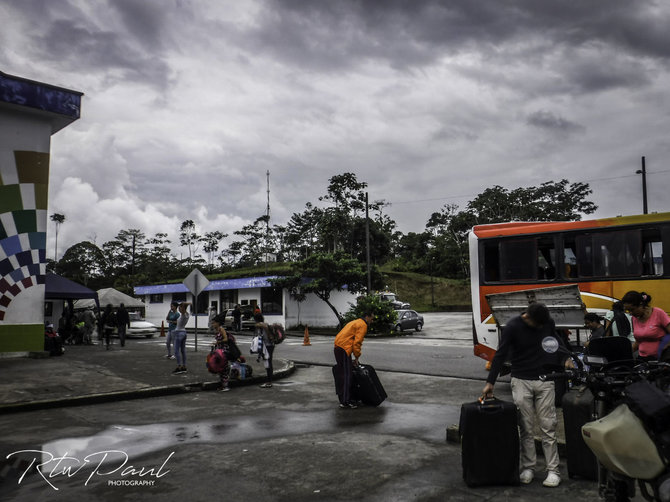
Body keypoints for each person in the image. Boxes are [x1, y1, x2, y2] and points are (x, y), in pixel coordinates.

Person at [482, 302, 573, 488]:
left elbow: (555, 342)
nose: (541, 328)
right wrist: (490, 382)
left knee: (549, 425)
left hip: (545, 379)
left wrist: (565, 357)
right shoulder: (513, 327)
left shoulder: (547, 322)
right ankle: (529, 467)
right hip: (521, 380)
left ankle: (553, 470)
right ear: (527, 318)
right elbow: (500, 354)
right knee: (525, 426)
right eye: (538, 325)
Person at [333, 312, 374, 409]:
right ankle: (346, 401)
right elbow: (357, 343)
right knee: (347, 375)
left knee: (343, 374)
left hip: (338, 347)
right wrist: (357, 357)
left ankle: (344, 399)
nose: (372, 321)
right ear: (366, 317)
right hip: (343, 348)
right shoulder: (363, 325)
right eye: (371, 319)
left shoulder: (355, 322)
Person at [622, 291, 670, 362]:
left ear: (641, 304)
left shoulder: (658, 313)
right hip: (642, 359)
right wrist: (623, 353)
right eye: (628, 311)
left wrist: (666, 348)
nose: (631, 313)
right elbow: (638, 342)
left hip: (660, 360)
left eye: (632, 310)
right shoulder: (634, 318)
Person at [210, 313, 242, 391]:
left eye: (214, 322)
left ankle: (225, 386)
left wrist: (218, 342)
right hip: (220, 350)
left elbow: (226, 339)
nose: (212, 324)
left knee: (224, 368)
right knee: (221, 368)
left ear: (218, 323)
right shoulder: (217, 330)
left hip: (224, 350)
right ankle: (223, 385)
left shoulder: (221, 329)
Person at [254, 313, 274, 388]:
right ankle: (269, 381)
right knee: (268, 362)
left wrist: (269, 335)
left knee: (268, 363)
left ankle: (269, 382)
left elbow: (262, 326)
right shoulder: (264, 324)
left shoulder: (261, 324)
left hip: (267, 346)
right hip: (269, 345)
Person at [172, 302, 190, 374]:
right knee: (183, 350)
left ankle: (179, 366)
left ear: (183, 308)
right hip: (183, 332)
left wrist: (185, 304)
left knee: (176, 350)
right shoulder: (187, 315)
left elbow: (183, 311)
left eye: (180, 307)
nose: (179, 309)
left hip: (179, 333)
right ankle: (184, 366)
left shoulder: (183, 315)